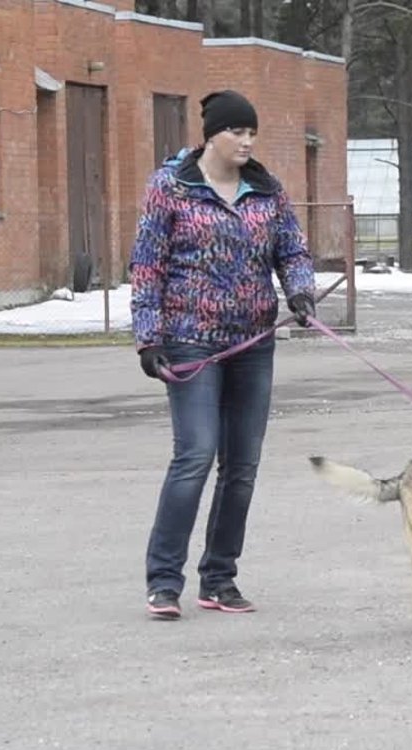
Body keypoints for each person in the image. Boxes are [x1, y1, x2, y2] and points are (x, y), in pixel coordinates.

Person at [129, 89, 317, 620]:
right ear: (212, 133)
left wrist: (299, 289)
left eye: (252, 133)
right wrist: (149, 337)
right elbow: (147, 266)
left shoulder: (265, 187)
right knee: (195, 456)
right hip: (191, 341)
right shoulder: (171, 186)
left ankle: (219, 579)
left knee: (242, 466)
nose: (247, 141)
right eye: (238, 131)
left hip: (253, 342)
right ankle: (164, 582)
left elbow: (292, 249)